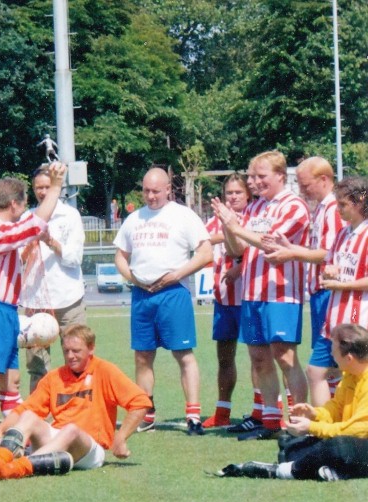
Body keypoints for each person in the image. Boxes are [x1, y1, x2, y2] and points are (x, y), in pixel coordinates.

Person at [0, 165, 66, 454]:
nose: (25, 210)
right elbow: (34, 225)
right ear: (14, 204)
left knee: (11, 383)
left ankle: (16, 440)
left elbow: (31, 227)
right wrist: (55, 186)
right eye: (24, 204)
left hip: (4, 312)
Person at [0, 324, 151, 479]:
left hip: (90, 449)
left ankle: (15, 468)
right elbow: (24, 409)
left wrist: (120, 437)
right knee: (29, 416)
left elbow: (141, 402)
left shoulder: (105, 371)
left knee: (71, 429)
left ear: (91, 348)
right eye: (66, 351)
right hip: (57, 442)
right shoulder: (54, 377)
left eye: (76, 351)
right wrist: (1, 429)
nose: (70, 356)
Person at [213, 150, 311, 440]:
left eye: (261, 176)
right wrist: (228, 226)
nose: (254, 182)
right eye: (252, 176)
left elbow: (269, 243)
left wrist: (236, 227)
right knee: (258, 358)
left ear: (280, 175)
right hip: (252, 293)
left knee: (285, 356)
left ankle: (299, 421)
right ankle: (270, 421)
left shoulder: (294, 206)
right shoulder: (255, 207)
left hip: (281, 293)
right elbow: (237, 250)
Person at [114, 168, 212, 435]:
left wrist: (177, 274)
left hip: (173, 293)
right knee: (143, 355)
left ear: (168, 189)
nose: (150, 196)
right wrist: (132, 278)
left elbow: (205, 253)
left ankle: (193, 416)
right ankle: (146, 413)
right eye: (146, 191)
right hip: (142, 295)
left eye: (156, 191)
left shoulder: (183, 215)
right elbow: (120, 256)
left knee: (183, 354)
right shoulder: (134, 219)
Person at [216, 323, 368, 481]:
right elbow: (336, 408)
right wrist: (315, 413)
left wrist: (312, 427)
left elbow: (356, 431)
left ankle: (281, 471)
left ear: (349, 358)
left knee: (339, 447)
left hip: (358, 443)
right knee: (290, 447)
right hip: (354, 443)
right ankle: (331, 471)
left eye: (334, 350)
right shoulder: (350, 374)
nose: (331, 353)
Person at [262, 157, 343, 406]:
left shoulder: (333, 209)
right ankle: (333, 416)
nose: (302, 190)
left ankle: (331, 419)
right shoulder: (320, 209)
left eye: (305, 185)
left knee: (326, 364)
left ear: (323, 180)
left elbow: (329, 253)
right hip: (320, 294)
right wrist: (293, 248)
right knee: (329, 365)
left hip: (329, 293)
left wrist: (293, 254)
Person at [18, 164, 87, 392]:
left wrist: (50, 241)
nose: (43, 192)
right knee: (37, 366)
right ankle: (38, 409)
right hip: (35, 301)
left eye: (47, 187)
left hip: (68, 300)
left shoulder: (70, 215)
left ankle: (77, 406)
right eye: (38, 188)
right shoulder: (26, 217)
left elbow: (74, 258)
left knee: (77, 359)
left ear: (57, 187)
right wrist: (31, 242)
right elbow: (18, 260)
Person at [201, 174, 250, 428]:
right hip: (224, 299)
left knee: (260, 358)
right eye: (229, 192)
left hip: (250, 298)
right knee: (224, 358)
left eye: (238, 192)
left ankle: (265, 410)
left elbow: (255, 248)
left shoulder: (253, 218)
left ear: (247, 194)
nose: (233, 197)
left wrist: (239, 268)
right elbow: (201, 240)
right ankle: (222, 412)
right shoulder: (214, 221)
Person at [321, 176, 368, 337]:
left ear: (359, 203)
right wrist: (328, 272)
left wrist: (342, 285)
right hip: (335, 318)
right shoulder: (342, 233)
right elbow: (327, 265)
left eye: (343, 204)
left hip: (359, 321)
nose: (338, 209)